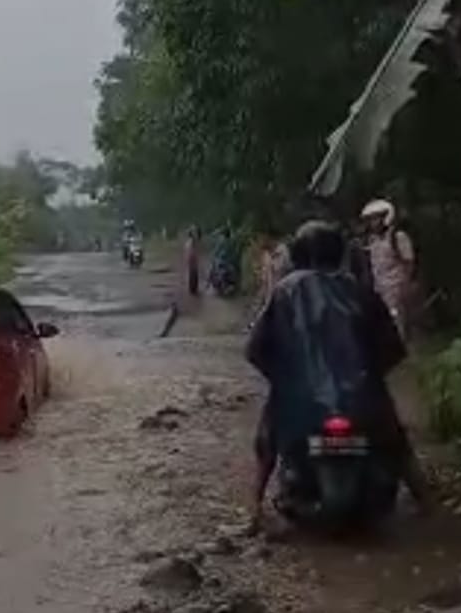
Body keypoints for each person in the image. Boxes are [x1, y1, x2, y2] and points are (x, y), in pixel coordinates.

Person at [245, 221, 432, 531]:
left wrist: (285, 379)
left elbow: (256, 351)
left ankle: (254, 508)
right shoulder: (361, 290)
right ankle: (427, 502)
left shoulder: (285, 291)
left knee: (268, 439)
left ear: (299, 254)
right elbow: (392, 349)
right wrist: (369, 376)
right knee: (396, 441)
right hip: (362, 398)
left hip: (301, 399)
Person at [361, 199, 416, 337]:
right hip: (379, 289)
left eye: (376, 219)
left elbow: (409, 261)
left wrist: (404, 284)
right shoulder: (372, 240)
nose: (373, 223)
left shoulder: (398, 237)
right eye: (371, 220)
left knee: (397, 323)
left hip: (395, 289)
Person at [184, 226, 201, 296]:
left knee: (192, 273)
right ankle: (193, 288)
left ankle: (192, 288)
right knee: (193, 273)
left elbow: (188, 251)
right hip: (192, 258)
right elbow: (192, 251)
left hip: (191, 258)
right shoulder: (192, 241)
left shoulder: (189, 241)